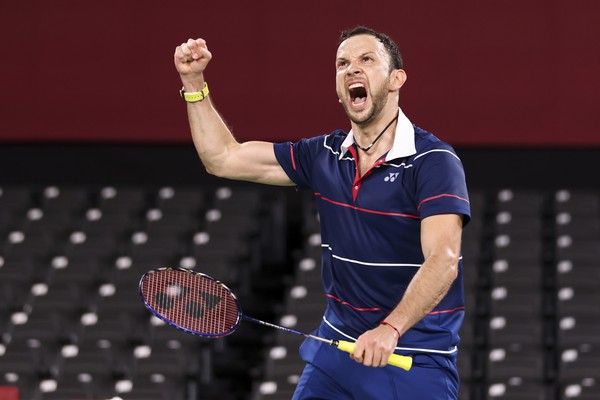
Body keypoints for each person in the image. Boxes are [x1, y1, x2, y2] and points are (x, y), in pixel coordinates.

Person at [174, 26, 471, 400]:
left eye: (367, 60)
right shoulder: (323, 155)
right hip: (337, 353)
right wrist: (193, 82)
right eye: (342, 63)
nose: (352, 70)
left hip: (413, 359)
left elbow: (443, 259)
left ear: (397, 79)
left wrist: (390, 329)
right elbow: (222, 158)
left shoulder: (433, 161)